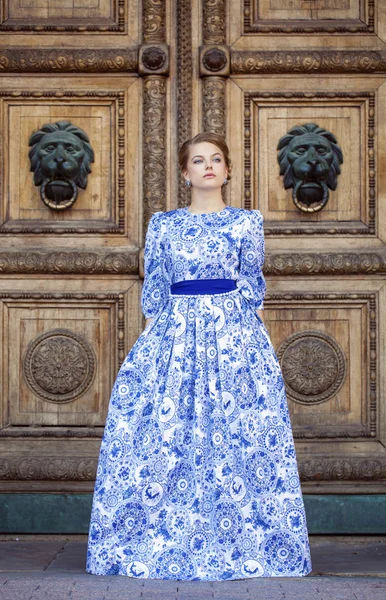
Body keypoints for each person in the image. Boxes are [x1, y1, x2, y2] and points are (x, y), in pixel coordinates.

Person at [86, 132, 312, 580]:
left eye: (216, 160)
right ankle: (158, 539)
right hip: (174, 336)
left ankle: (249, 543)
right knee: (167, 432)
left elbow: (252, 287)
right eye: (198, 161)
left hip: (233, 337)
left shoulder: (248, 222)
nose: (208, 166)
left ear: (227, 170)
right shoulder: (163, 225)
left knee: (236, 433)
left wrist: (259, 350)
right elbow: (154, 290)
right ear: (185, 173)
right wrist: (147, 353)